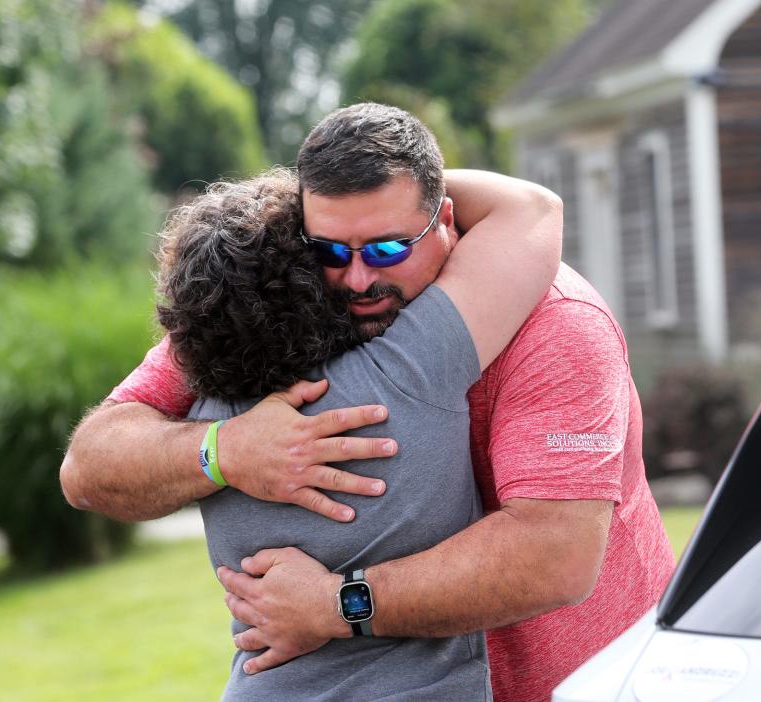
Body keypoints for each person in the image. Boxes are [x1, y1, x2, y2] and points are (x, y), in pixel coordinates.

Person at [61, 103, 676, 701]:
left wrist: (337, 604)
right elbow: (89, 468)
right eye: (331, 250)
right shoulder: (275, 310)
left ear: (448, 220)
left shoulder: (559, 327)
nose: (358, 280)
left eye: (387, 249)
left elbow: (557, 557)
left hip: (589, 683)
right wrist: (224, 450)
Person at [152, 165, 559, 700]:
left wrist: (216, 450)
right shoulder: (409, 366)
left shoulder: (199, 422)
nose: (357, 273)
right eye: (331, 251)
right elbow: (531, 209)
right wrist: (391, 192)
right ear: (307, 277)